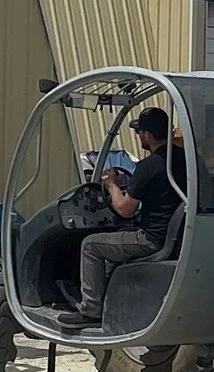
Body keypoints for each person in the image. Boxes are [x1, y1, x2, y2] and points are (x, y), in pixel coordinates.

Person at [77, 107, 181, 320]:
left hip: (151, 240)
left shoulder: (149, 166)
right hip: (179, 236)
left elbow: (124, 209)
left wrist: (112, 185)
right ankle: (109, 297)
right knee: (116, 239)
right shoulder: (185, 159)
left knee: (90, 245)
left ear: (148, 135)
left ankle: (91, 309)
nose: (138, 136)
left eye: (139, 132)